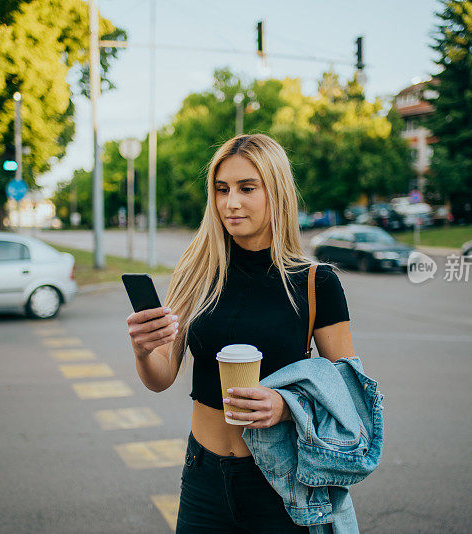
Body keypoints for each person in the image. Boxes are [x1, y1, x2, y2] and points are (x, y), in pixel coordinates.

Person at [125, 134, 355, 533]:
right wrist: (144, 350)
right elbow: (160, 379)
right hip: (203, 477)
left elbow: (346, 394)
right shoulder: (196, 272)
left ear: (276, 192)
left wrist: (284, 406)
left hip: (281, 480)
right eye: (222, 189)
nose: (231, 202)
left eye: (247, 188)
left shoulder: (317, 283)